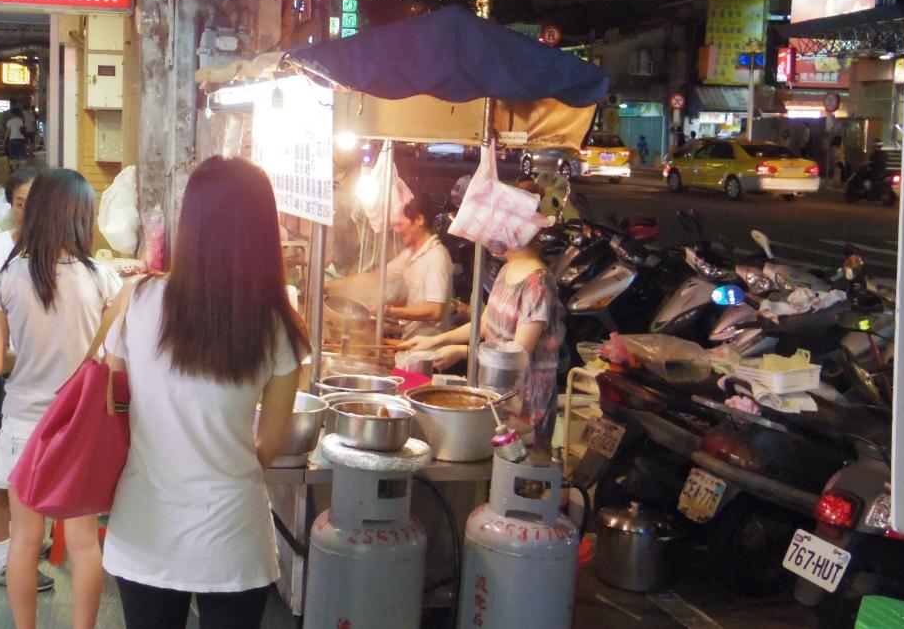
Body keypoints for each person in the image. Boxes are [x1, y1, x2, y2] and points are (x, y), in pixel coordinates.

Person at [102, 156, 306, 629]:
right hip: (233, 536)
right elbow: (270, 445)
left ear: (190, 220)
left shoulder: (138, 298)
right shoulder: (278, 326)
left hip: (145, 529)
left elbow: (115, 397)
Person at [0, 169, 122, 628]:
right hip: (79, 426)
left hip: (24, 422)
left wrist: (27, 355)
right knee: (83, 542)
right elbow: (115, 362)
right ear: (82, 216)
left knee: (24, 541)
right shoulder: (103, 279)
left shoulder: (6, 277)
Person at [404, 179, 564, 449]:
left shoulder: (538, 283)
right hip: (497, 395)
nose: (488, 235)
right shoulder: (506, 270)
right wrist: (435, 341)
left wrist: (462, 352)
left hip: (526, 405)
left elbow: (517, 354)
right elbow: (484, 323)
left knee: (517, 470)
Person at [0, 166, 52, 592]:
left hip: (39, 385)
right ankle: (4, 556)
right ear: (10, 205)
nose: (30, 211)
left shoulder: (60, 253)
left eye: (39, 202)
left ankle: (23, 547)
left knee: (33, 477)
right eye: (21, 202)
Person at [325, 194, 453, 339]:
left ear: (419, 220)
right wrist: (327, 286)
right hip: (411, 342)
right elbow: (375, 278)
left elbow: (435, 311)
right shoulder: (410, 255)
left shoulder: (436, 256)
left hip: (429, 349)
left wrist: (388, 311)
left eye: (401, 224)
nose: (397, 230)